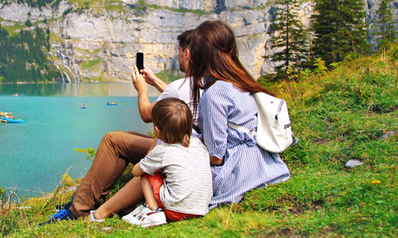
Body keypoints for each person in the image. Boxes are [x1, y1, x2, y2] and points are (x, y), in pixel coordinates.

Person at [46, 30, 195, 222]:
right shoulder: (201, 82)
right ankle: (87, 200)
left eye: (179, 51)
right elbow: (177, 95)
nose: (178, 56)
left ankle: (80, 209)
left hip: (176, 150)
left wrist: (142, 89)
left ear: (187, 53)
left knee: (113, 140)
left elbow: (147, 114)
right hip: (188, 146)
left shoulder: (183, 85)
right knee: (126, 136)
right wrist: (155, 81)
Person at [187, 20, 290, 207]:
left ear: (199, 55)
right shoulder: (240, 82)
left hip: (237, 174)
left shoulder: (215, 94)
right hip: (266, 165)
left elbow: (216, 156)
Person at [89, 98, 211, 226]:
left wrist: (150, 155)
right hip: (201, 209)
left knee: (146, 172)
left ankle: (153, 210)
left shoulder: (163, 150)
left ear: (157, 130)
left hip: (176, 211)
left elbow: (136, 171)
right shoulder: (198, 144)